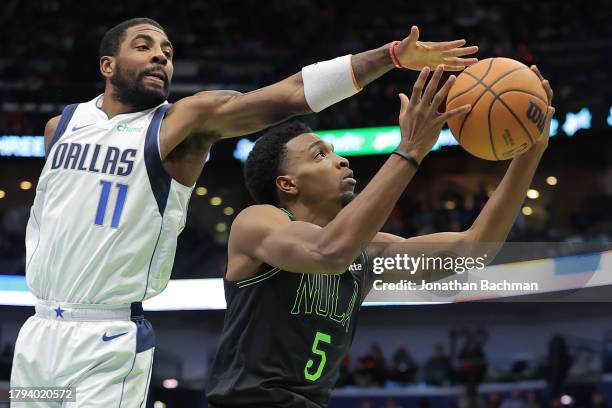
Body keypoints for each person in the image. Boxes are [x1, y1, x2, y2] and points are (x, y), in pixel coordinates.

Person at [10, 17, 479, 406]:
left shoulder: (185, 122)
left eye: (168, 51)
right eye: (145, 46)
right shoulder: (61, 127)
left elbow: (292, 93)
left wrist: (390, 56)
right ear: (108, 65)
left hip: (106, 335)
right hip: (37, 331)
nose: (161, 56)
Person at [205, 65, 555, 406]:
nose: (340, 160)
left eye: (334, 151)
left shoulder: (366, 254)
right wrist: (412, 148)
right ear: (287, 184)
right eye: (320, 156)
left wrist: (531, 153)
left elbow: (473, 249)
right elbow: (329, 252)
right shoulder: (257, 222)